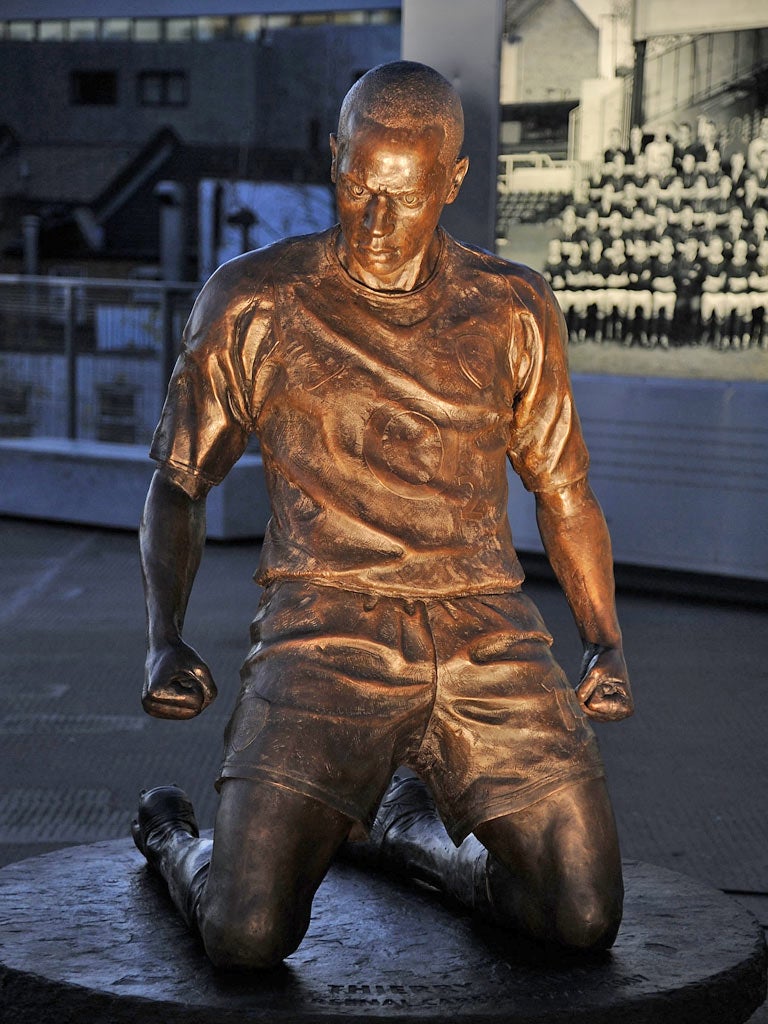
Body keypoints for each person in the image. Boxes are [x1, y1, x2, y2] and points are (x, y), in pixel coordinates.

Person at [133, 61, 633, 971]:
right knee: (246, 934)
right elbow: (179, 482)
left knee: (583, 912)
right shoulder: (255, 300)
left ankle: (409, 840)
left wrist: (603, 640)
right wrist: (164, 637)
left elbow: (564, 489)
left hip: (485, 630)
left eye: (403, 196)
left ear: (454, 180)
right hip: (324, 631)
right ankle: (175, 841)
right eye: (358, 185)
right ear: (335, 156)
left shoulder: (512, 307)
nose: (373, 220)